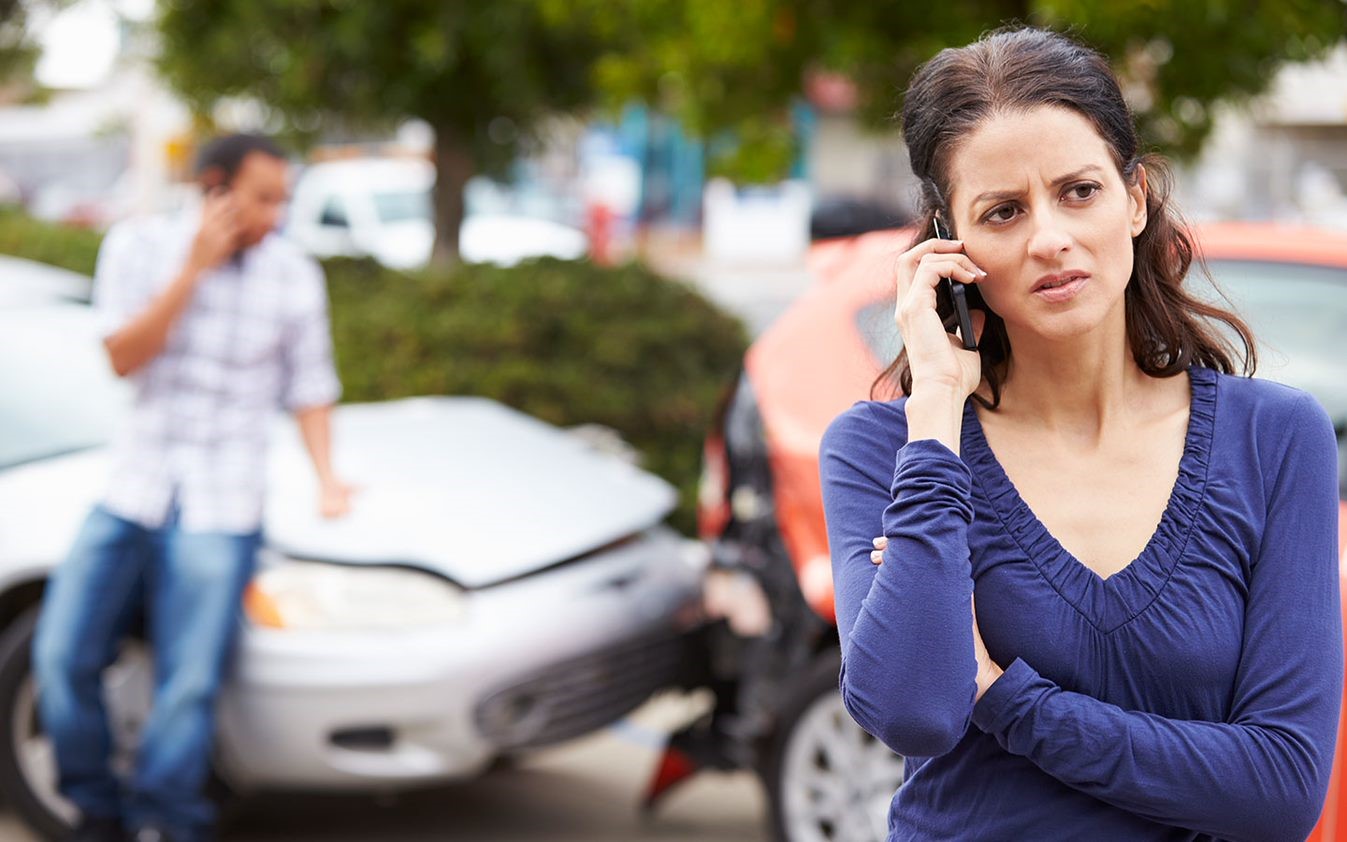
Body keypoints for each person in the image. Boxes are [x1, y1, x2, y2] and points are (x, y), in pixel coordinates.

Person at [819, 27, 1343, 841]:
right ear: (948, 247)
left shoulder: (1274, 439)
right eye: (1002, 211)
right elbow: (916, 712)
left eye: (1077, 191)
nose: (1048, 238)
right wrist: (935, 421)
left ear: (1133, 198)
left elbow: (1278, 791)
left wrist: (1001, 697)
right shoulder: (882, 451)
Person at [33, 133, 353, 842]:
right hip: (133, 486)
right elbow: (122, 358)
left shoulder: (294, 274)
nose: (276, 215)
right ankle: (95, 809)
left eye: (283, 201)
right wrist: (191, 273)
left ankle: (168, 820)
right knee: (60, 657)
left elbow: (311, 386)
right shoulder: (138, 246)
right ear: (214, 188)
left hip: (225, 497)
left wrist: (329, 479)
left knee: (190, 682)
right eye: (263, 198)